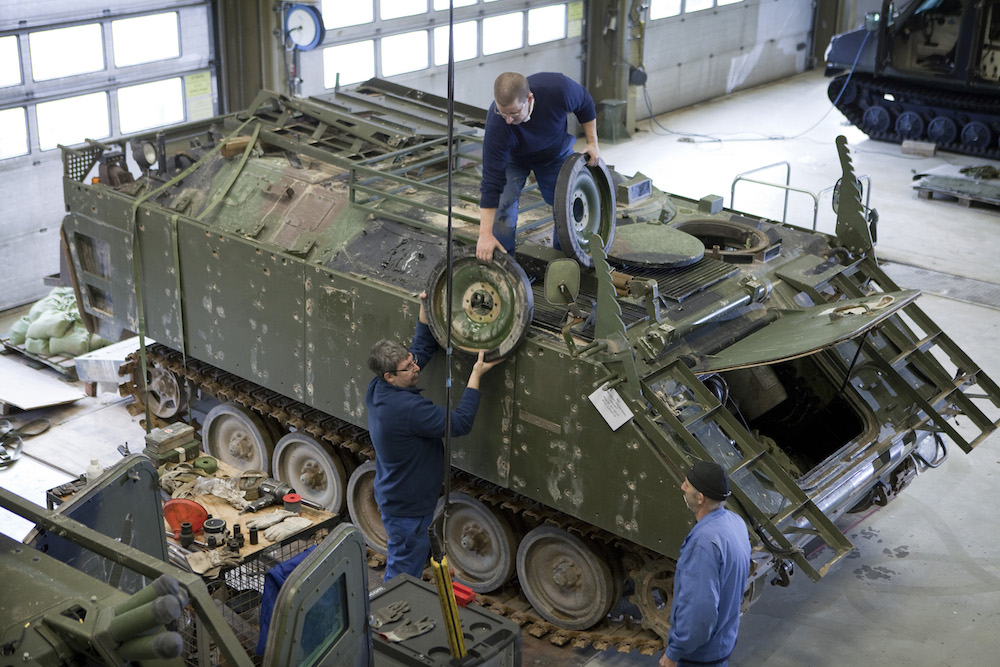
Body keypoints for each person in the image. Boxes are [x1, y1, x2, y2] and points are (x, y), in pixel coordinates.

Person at [365, 293, 501, 581]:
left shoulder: (379, 388)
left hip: (397, 498)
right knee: (402, 574)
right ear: (390, 376)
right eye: (409, 367)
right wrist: (476, 374)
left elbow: (421, 349)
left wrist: (425, 308)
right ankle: (388, 622)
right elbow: (460, 423)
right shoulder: (407, 410)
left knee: (407, 560)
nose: (416, 367)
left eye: (412, 362)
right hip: (409, 512)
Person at [477, 71, 601, 261]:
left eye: (514, 113)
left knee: (571, 202)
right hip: (514, 159)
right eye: (503, 113)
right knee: (503, 205)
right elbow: (491, 183)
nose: (508, 120)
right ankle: (505, 265)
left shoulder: (557, 88)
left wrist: (592, 142)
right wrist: (485, 235)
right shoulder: (498, 123)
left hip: (555, 153)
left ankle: (566, 262)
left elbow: (585, 103)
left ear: (529, 98)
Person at [661, 461, 751, 667]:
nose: (682, 487)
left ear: (700, 498)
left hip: (699, 656)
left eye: (687, 485)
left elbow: (699, 612)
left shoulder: (703, 544)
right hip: (723, 643)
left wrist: (674, 652)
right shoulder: (735, 522)